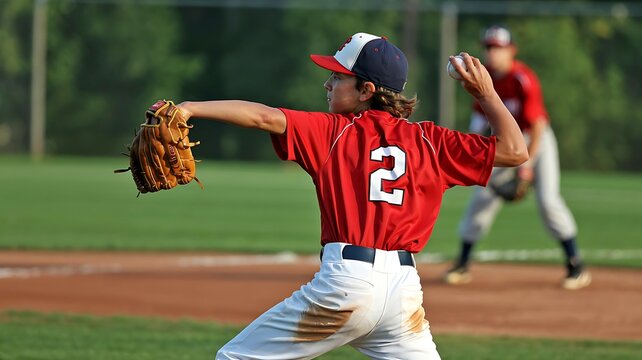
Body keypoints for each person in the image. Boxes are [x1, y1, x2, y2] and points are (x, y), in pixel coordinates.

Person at [176, 32, 527, 359]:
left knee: (234, 357)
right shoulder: (431, 142)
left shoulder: (334, 132)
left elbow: (263, 117)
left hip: (345, 287)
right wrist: (486, 94)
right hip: (403, 295)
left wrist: (189, 107)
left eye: (338, 77)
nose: (328, 83)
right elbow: (514, 151)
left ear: (366, 90)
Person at [443, 25, 591, 290]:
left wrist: (527, 166)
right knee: (481, 199)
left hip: (537, 142)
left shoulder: (523, 78)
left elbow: (538, 125)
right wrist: (469, 150)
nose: (493, 52)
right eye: (489, 47)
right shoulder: (486, 78)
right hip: (504, 143)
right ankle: (463, 263)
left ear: (511, 50)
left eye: (499, 48)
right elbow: (478, 119)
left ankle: (575, 265)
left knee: (548, 201)